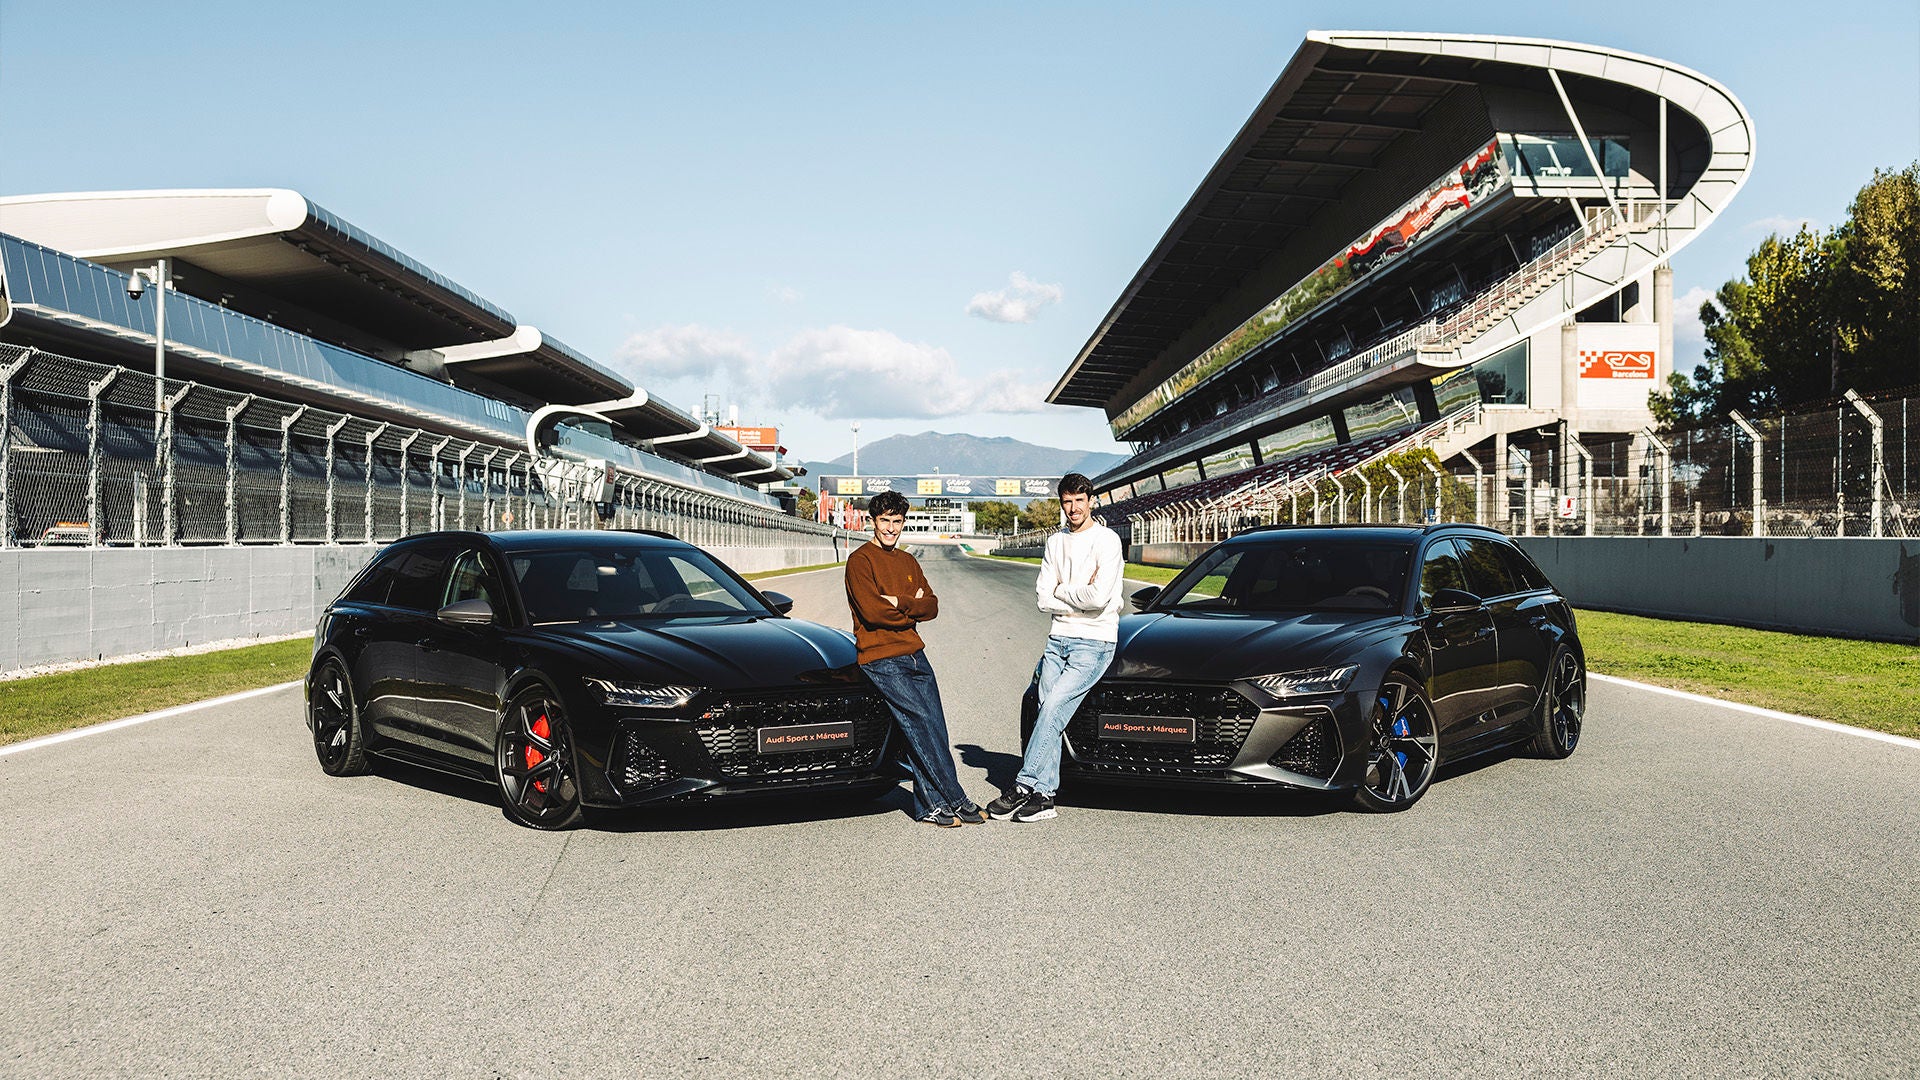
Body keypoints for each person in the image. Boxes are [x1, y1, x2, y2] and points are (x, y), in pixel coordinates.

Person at [988, 473, 1122, 822]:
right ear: (1061, 504)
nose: (1074, 508)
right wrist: (1072, 594)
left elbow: (1100, 598)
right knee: (1047, 711)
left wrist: (1063, 590)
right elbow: (1042, 598)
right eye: (1067, 501)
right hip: (1057, 639)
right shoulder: (1055, 543)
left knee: (1051, 712)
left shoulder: (1107, 541)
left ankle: (1023, 784)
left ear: (1092, 501)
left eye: (1080, 500)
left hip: (1094, 642)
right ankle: (1045, 797)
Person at [845, 490, 983, 827]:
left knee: (933, 726)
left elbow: (931, 606)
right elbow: (874, 612)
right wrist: (911, 605)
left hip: (915, 654)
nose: (891, 528)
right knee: (919, 722)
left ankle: (929, 805)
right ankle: (955, 797)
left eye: (897, 521)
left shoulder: (908, 561)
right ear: (871, 522)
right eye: (884, 521)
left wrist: (899, 602)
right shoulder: (860, 561)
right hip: (880, 657)